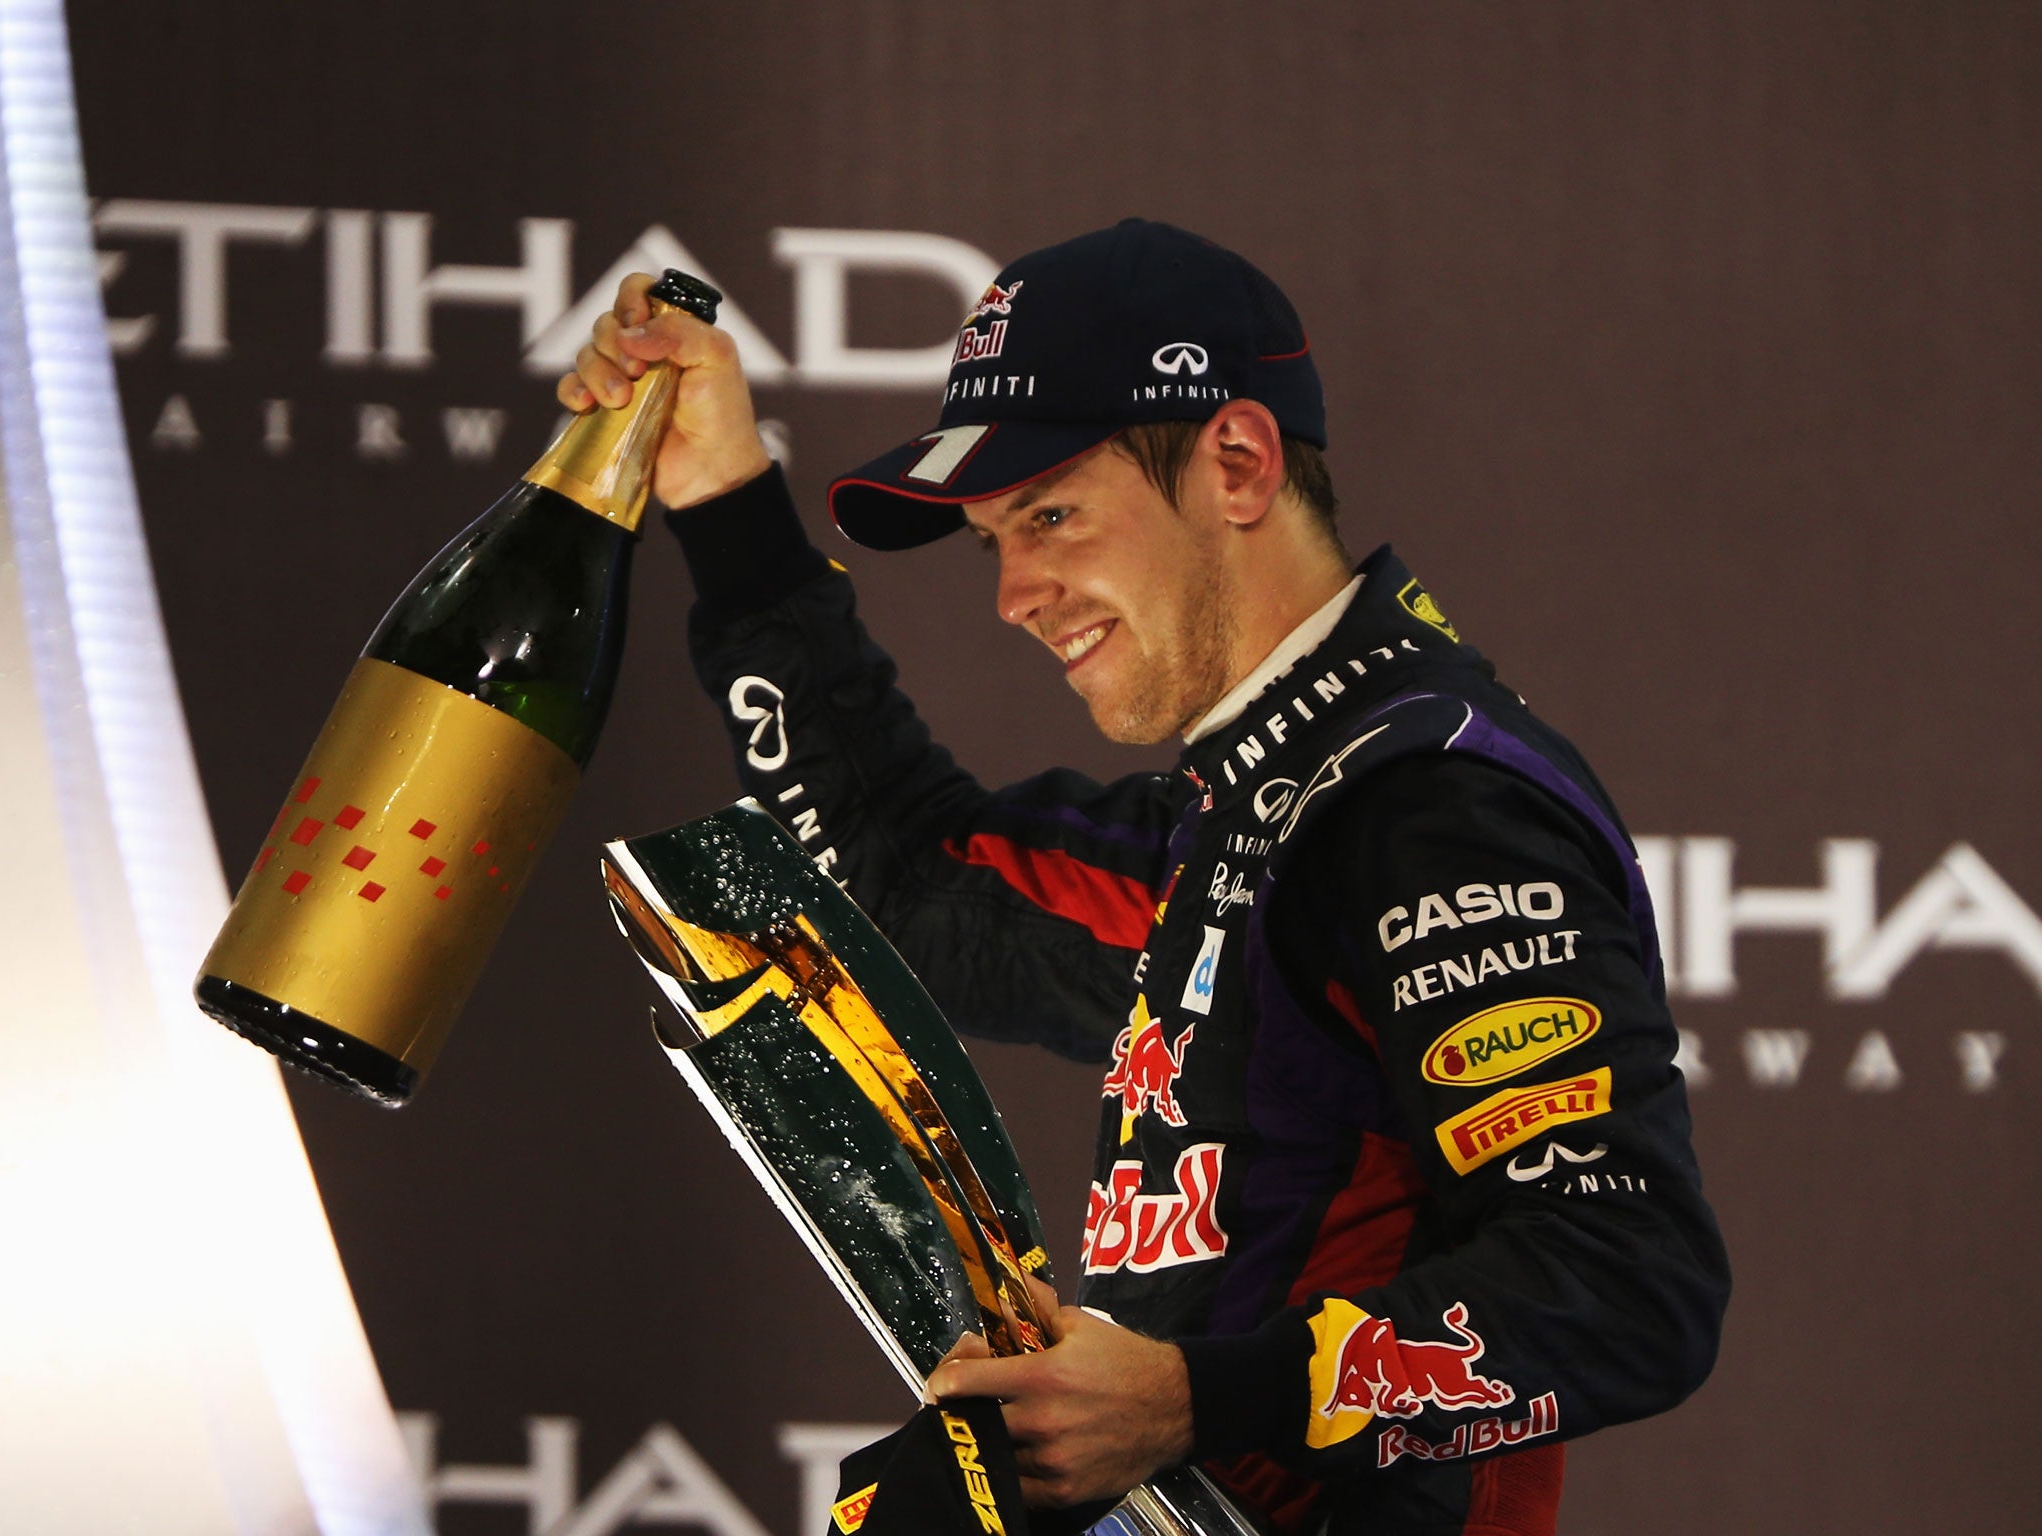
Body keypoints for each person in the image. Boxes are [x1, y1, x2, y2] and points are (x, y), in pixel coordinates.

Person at [560, 219, 1730, 1536]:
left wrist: (1188, 1399)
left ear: (1236, 463)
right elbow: (900, 877)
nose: (1015, 592)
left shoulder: (1428, 809)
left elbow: (1630, 1282)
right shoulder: (1242, 817)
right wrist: (724, 498)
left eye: (1049, 515)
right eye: (995, 538)